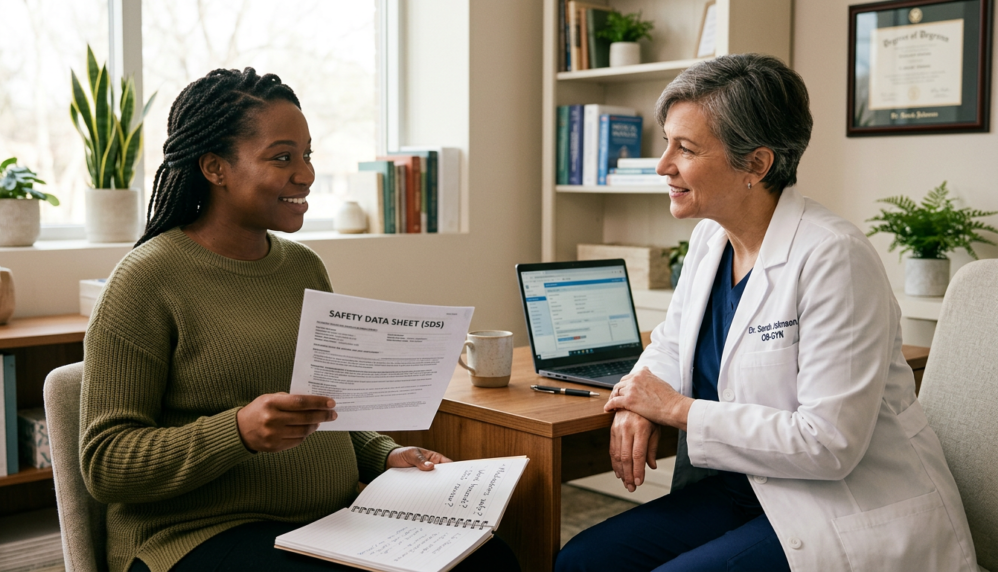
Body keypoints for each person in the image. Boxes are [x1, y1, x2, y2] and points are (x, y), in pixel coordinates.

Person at [79, 68, 519, 572]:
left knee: (492, 561)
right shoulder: (146, 280)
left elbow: (330, 407)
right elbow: (105, 463)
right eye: (282, 157)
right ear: (215, 167)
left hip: (326, 522)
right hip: (194, 536)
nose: (306, 174)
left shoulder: (303, 266)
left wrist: (385, 455)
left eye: (307, 155)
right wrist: (237, 431)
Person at [556, 54, 976, 571]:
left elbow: (829, 444)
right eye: (667, 143)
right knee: (582, 560)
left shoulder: (834, 257)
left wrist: (675, 410)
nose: (663, 165)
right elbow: (669, 343)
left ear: (757, 164)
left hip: (838, 502)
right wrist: (634, 401)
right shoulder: (711, 238)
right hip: (741, 489)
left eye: (684, 148)